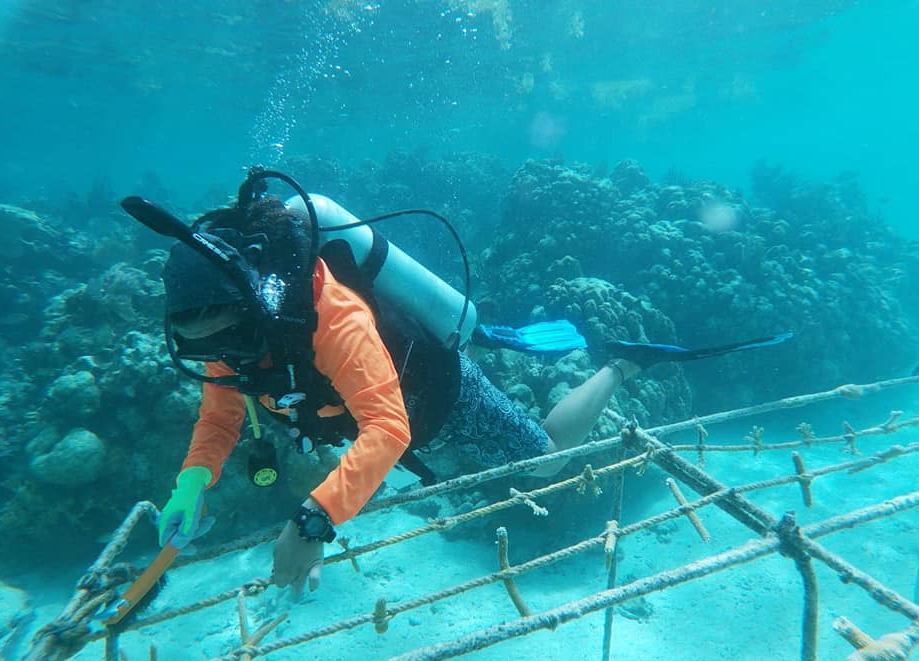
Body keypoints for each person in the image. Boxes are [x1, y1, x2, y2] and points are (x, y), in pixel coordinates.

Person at [132, 168, 785, 595]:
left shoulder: (330, 314)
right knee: (461, 479)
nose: (219, 357)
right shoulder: (225, 331)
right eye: (202, 347)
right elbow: (220, 416)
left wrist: (311, 522)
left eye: (224, 339)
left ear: (248, 301)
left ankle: (620, 362)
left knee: (542, 467)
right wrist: (192, 481)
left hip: (440, 397)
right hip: (390, 427)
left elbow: (388, 425)